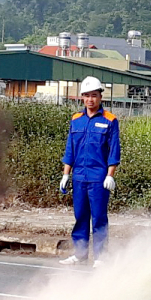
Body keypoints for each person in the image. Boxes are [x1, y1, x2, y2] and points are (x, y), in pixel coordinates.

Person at [59, 76, 120, 265]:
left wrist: (110, 175)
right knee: (80, 216)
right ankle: (80, 254)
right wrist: (66, 174)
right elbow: (71, 148)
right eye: (86, 96)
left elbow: (114, 149)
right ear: (82, 98)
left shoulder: (110, 120)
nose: (90, 100)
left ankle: (101, 257)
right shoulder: (76, 120)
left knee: (99, 217)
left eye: (94, 95)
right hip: (79, 177)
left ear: (100, 97)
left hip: (98, 178)